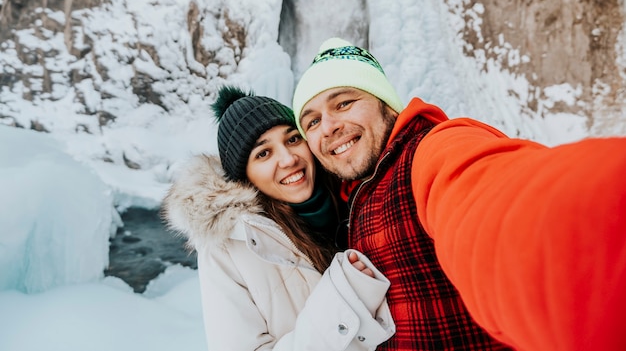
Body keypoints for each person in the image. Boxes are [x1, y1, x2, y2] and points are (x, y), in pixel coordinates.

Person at [292, 37, 626, 351]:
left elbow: (498, 206)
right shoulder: (350, 202)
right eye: (312, 122)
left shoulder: (430, 150)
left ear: (386, 106)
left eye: (345, 103)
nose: (328, 127)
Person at [161, 85, 395, 351]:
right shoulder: (228, 247)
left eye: (293, 139)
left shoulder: (356, 193)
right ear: (243, 178)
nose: (288, 159)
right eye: (263, 153)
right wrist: (344, 299)